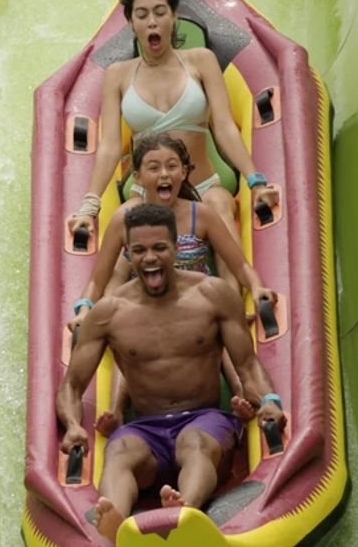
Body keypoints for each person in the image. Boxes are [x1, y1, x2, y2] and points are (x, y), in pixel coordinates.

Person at [56, 203, 285, 543]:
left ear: (176, 247)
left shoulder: (212, 295)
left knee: (193, 443)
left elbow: (247, 364)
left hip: (205, 421)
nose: (150, 258)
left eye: (159, 248)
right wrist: (74, 426)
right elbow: (71, 386)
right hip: (146, 430)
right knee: (118, 453)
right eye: (139, 250)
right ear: (128, 255)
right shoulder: (109, 313)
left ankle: (185, 515)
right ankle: (116, 528)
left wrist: (268, 400)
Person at [67, 133, 277, 433]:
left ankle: (245, 396)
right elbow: (99, 278)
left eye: (171, 166)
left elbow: (239, 263)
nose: (164, 174)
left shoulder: (199, 215)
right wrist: (85, 307)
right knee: (130, 338)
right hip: (146, 300)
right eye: (154, 168)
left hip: (193, 299)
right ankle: (115, 411)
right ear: (138, 177)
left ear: (185, 171)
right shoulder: (125, 218)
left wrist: (256, 287)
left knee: (223, 326)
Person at [66, 0, 278, 240]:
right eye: (142, 15)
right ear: (131, 22)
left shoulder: (201, 61)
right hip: (146, 193)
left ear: (174, 16)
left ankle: (243, 286)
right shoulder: (117, 75)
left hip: (205, 186)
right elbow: (110, 147)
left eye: (160, 12)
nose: (152, 22)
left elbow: (225, 127)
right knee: (125, 229)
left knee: (220, 211)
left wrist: (255, 181)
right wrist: (89, 205)